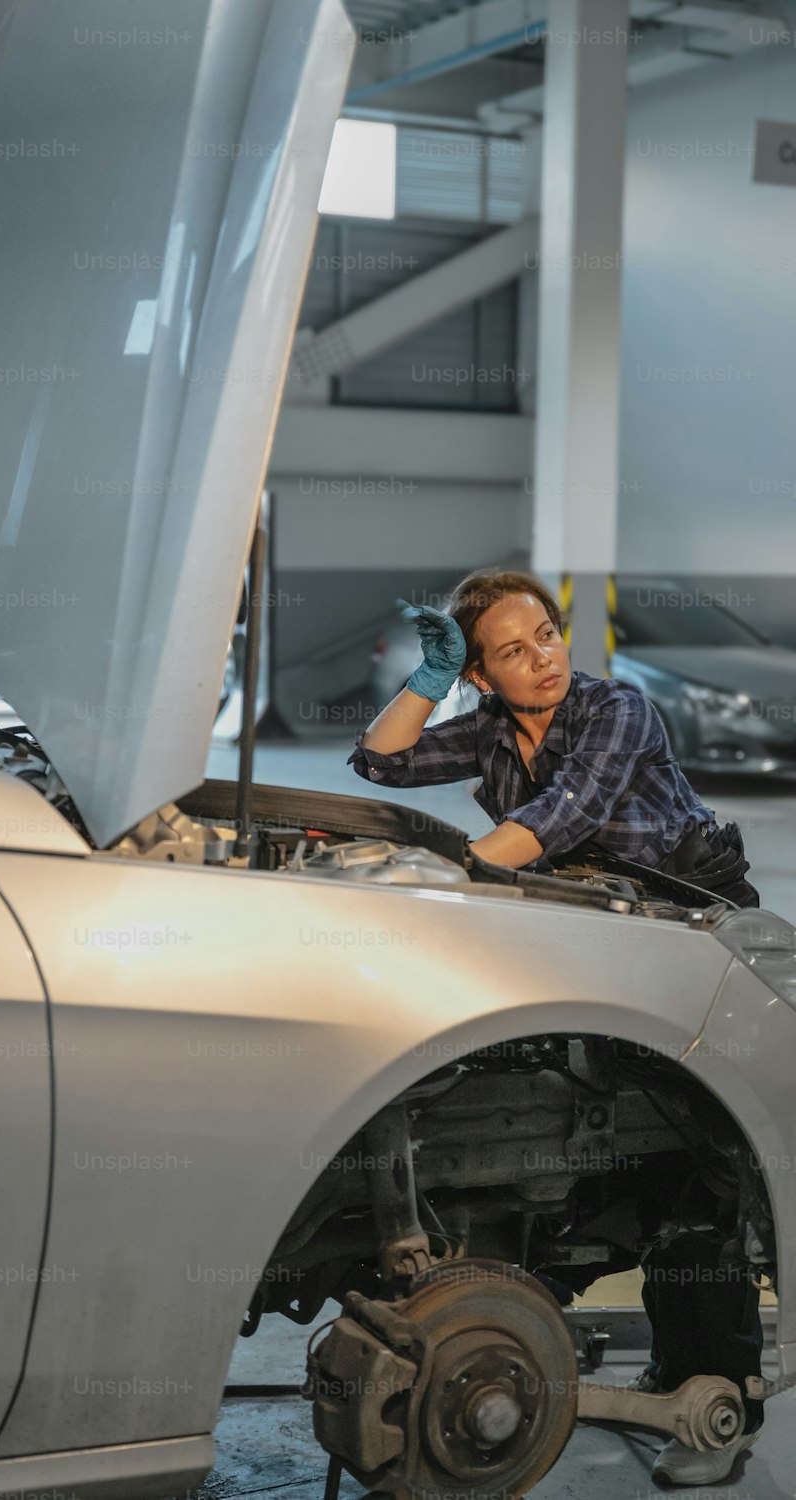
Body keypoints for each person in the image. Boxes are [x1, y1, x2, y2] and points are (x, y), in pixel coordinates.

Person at [347, 567, 763, 1486]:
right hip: (593, 939)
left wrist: (432, 888)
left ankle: (721, 1401)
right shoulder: (492, 725)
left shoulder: (618, 711)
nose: (543, 659)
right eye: (511, 652)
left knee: (698, 1161)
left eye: (547, 635)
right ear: (483, 676)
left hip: (692, 935)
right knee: (607, 1142)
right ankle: (662, 1357)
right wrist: (428, 682)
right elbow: (377, 762)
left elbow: (554, 820)